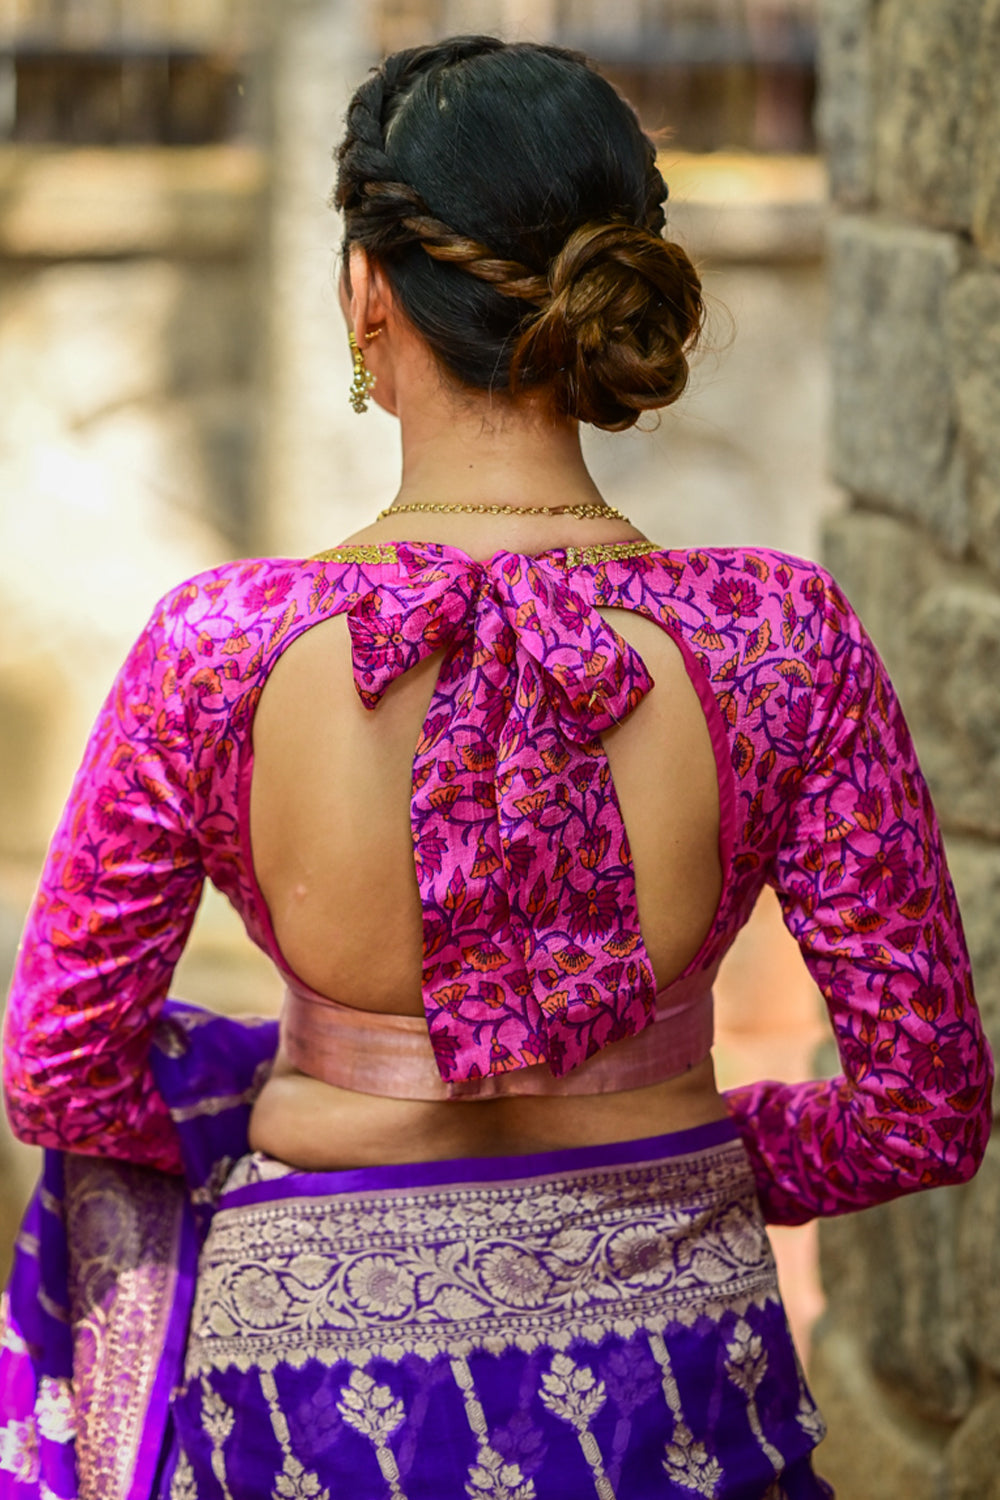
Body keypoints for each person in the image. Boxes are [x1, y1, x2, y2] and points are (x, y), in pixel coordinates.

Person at [0, 35, 992, 1500]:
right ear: (618, 290)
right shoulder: (780, 640)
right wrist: (702, 1153)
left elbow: (61, 1067)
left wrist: (246, 1102)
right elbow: (926, 1105)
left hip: (308, 1402)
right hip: (672, 1382)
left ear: (367, 297)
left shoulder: (215, 649)